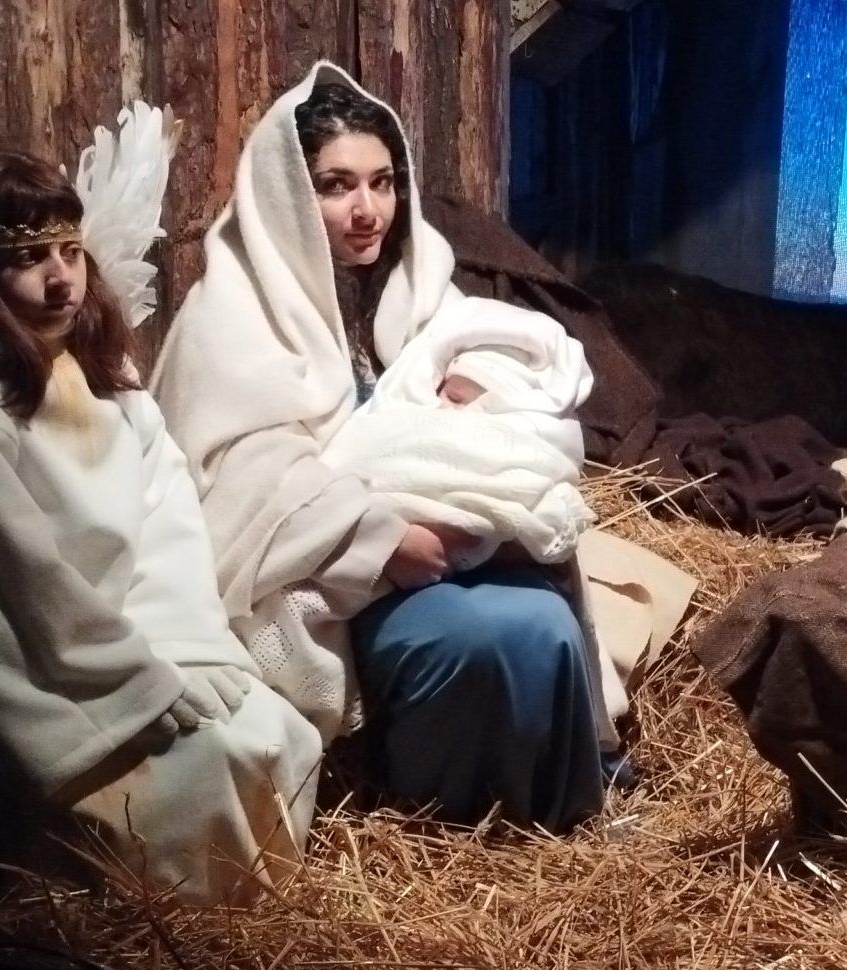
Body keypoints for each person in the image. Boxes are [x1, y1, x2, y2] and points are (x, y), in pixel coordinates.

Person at [0, 148, 322, 905]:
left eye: (69, 252)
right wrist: (131, 684)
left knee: (271, 728)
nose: (61, 279)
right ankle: (146, 927)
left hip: (107, 636)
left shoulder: (101, 384)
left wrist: (186, 649)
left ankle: (247, 914)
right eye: (26, 259)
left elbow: (163, 531)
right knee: (183, 773)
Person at [152, 64, 617, 829]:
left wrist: (488, 408)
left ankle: (554, 818)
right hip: (333, 583)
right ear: (287, 195)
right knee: (496, 635)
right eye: (336, 186)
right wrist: (383, 537)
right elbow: (235, 487)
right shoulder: (229, 320)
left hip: (454, 544)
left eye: (383, 182)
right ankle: (448, 817)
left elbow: (509, 371)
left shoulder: (421, 286)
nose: (367, 210)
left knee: (547, 614)